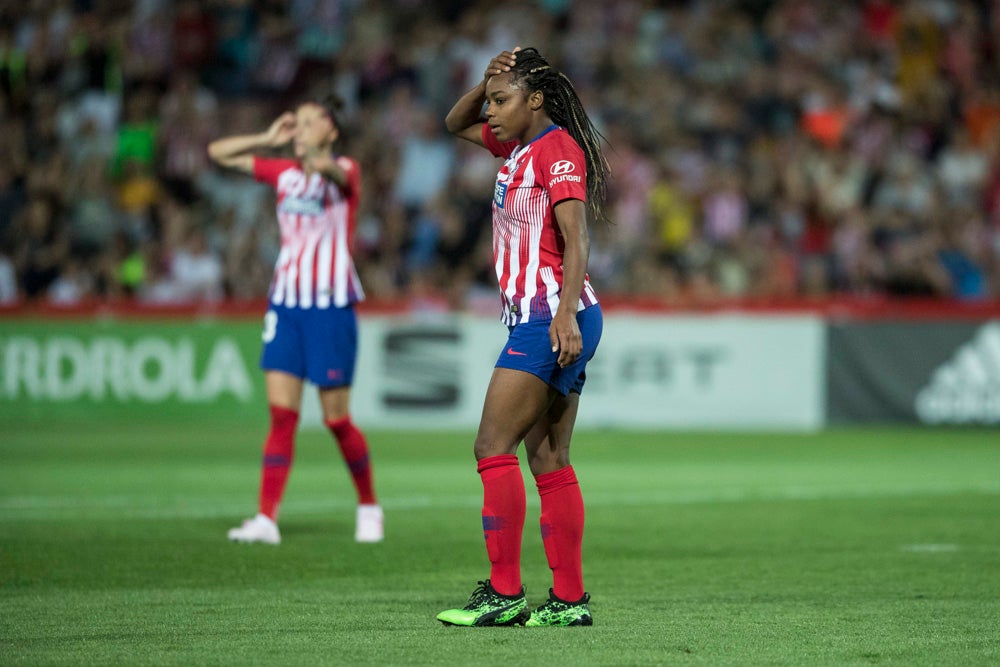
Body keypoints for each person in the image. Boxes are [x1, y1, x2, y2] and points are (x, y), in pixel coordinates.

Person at [436, 47, 610, 627]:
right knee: (549, 456)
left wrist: (561, 316)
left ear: (536, 100)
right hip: (551, 314)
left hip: (550, 314)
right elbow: (454, 123)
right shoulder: (516, 146)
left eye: (502, 100)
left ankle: (505, 593)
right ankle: (567, 602)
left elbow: (577, 238)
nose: (490, 111)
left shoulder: (557, 148)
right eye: (490, 100)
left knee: (492, 447)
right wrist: (485, 78)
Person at [207, 94, 383, 545]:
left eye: (310, 122)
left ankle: (368, 505)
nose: (299, 129)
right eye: (297, 122)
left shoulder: (344, 171)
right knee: (282, 417)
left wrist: (317, 160)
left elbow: (339, 174)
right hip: (285, 305)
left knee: (335, 420)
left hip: (329, 307)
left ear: (331, 130)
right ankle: (266, 518)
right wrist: (267, 139)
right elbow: (217, 153)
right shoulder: (282, 174)